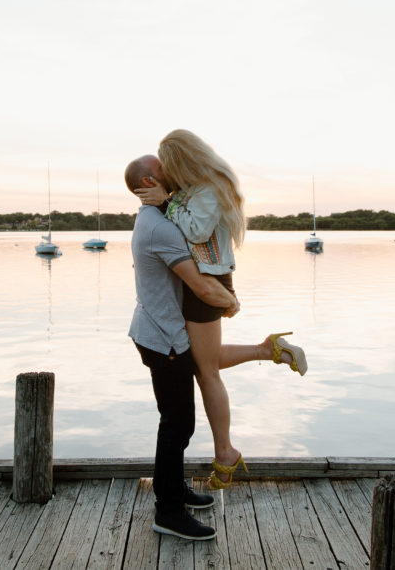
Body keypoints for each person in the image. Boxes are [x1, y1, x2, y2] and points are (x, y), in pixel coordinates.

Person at [135, 129, 308, 490]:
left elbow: (196, 232)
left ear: (182, 159)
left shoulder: (210, 188)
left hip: (208, 283)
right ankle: (270, 350)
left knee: (205, 370)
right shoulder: (190, 189)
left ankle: (225, 454)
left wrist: (164, 202)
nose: (164, 172)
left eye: (167, 164)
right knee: (203, 362)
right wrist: (164, 199)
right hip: (200, 281)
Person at [125, 153, 240, 541]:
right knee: (177, 425)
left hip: (156, 331)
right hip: (165, 338)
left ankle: (174, 491)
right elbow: (202, 286)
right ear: (146, 183)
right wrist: (231, 301)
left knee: (175, 423)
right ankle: (168, 512)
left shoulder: (155, 218)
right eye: (161, 170)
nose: (170, 173)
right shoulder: (161, 227)